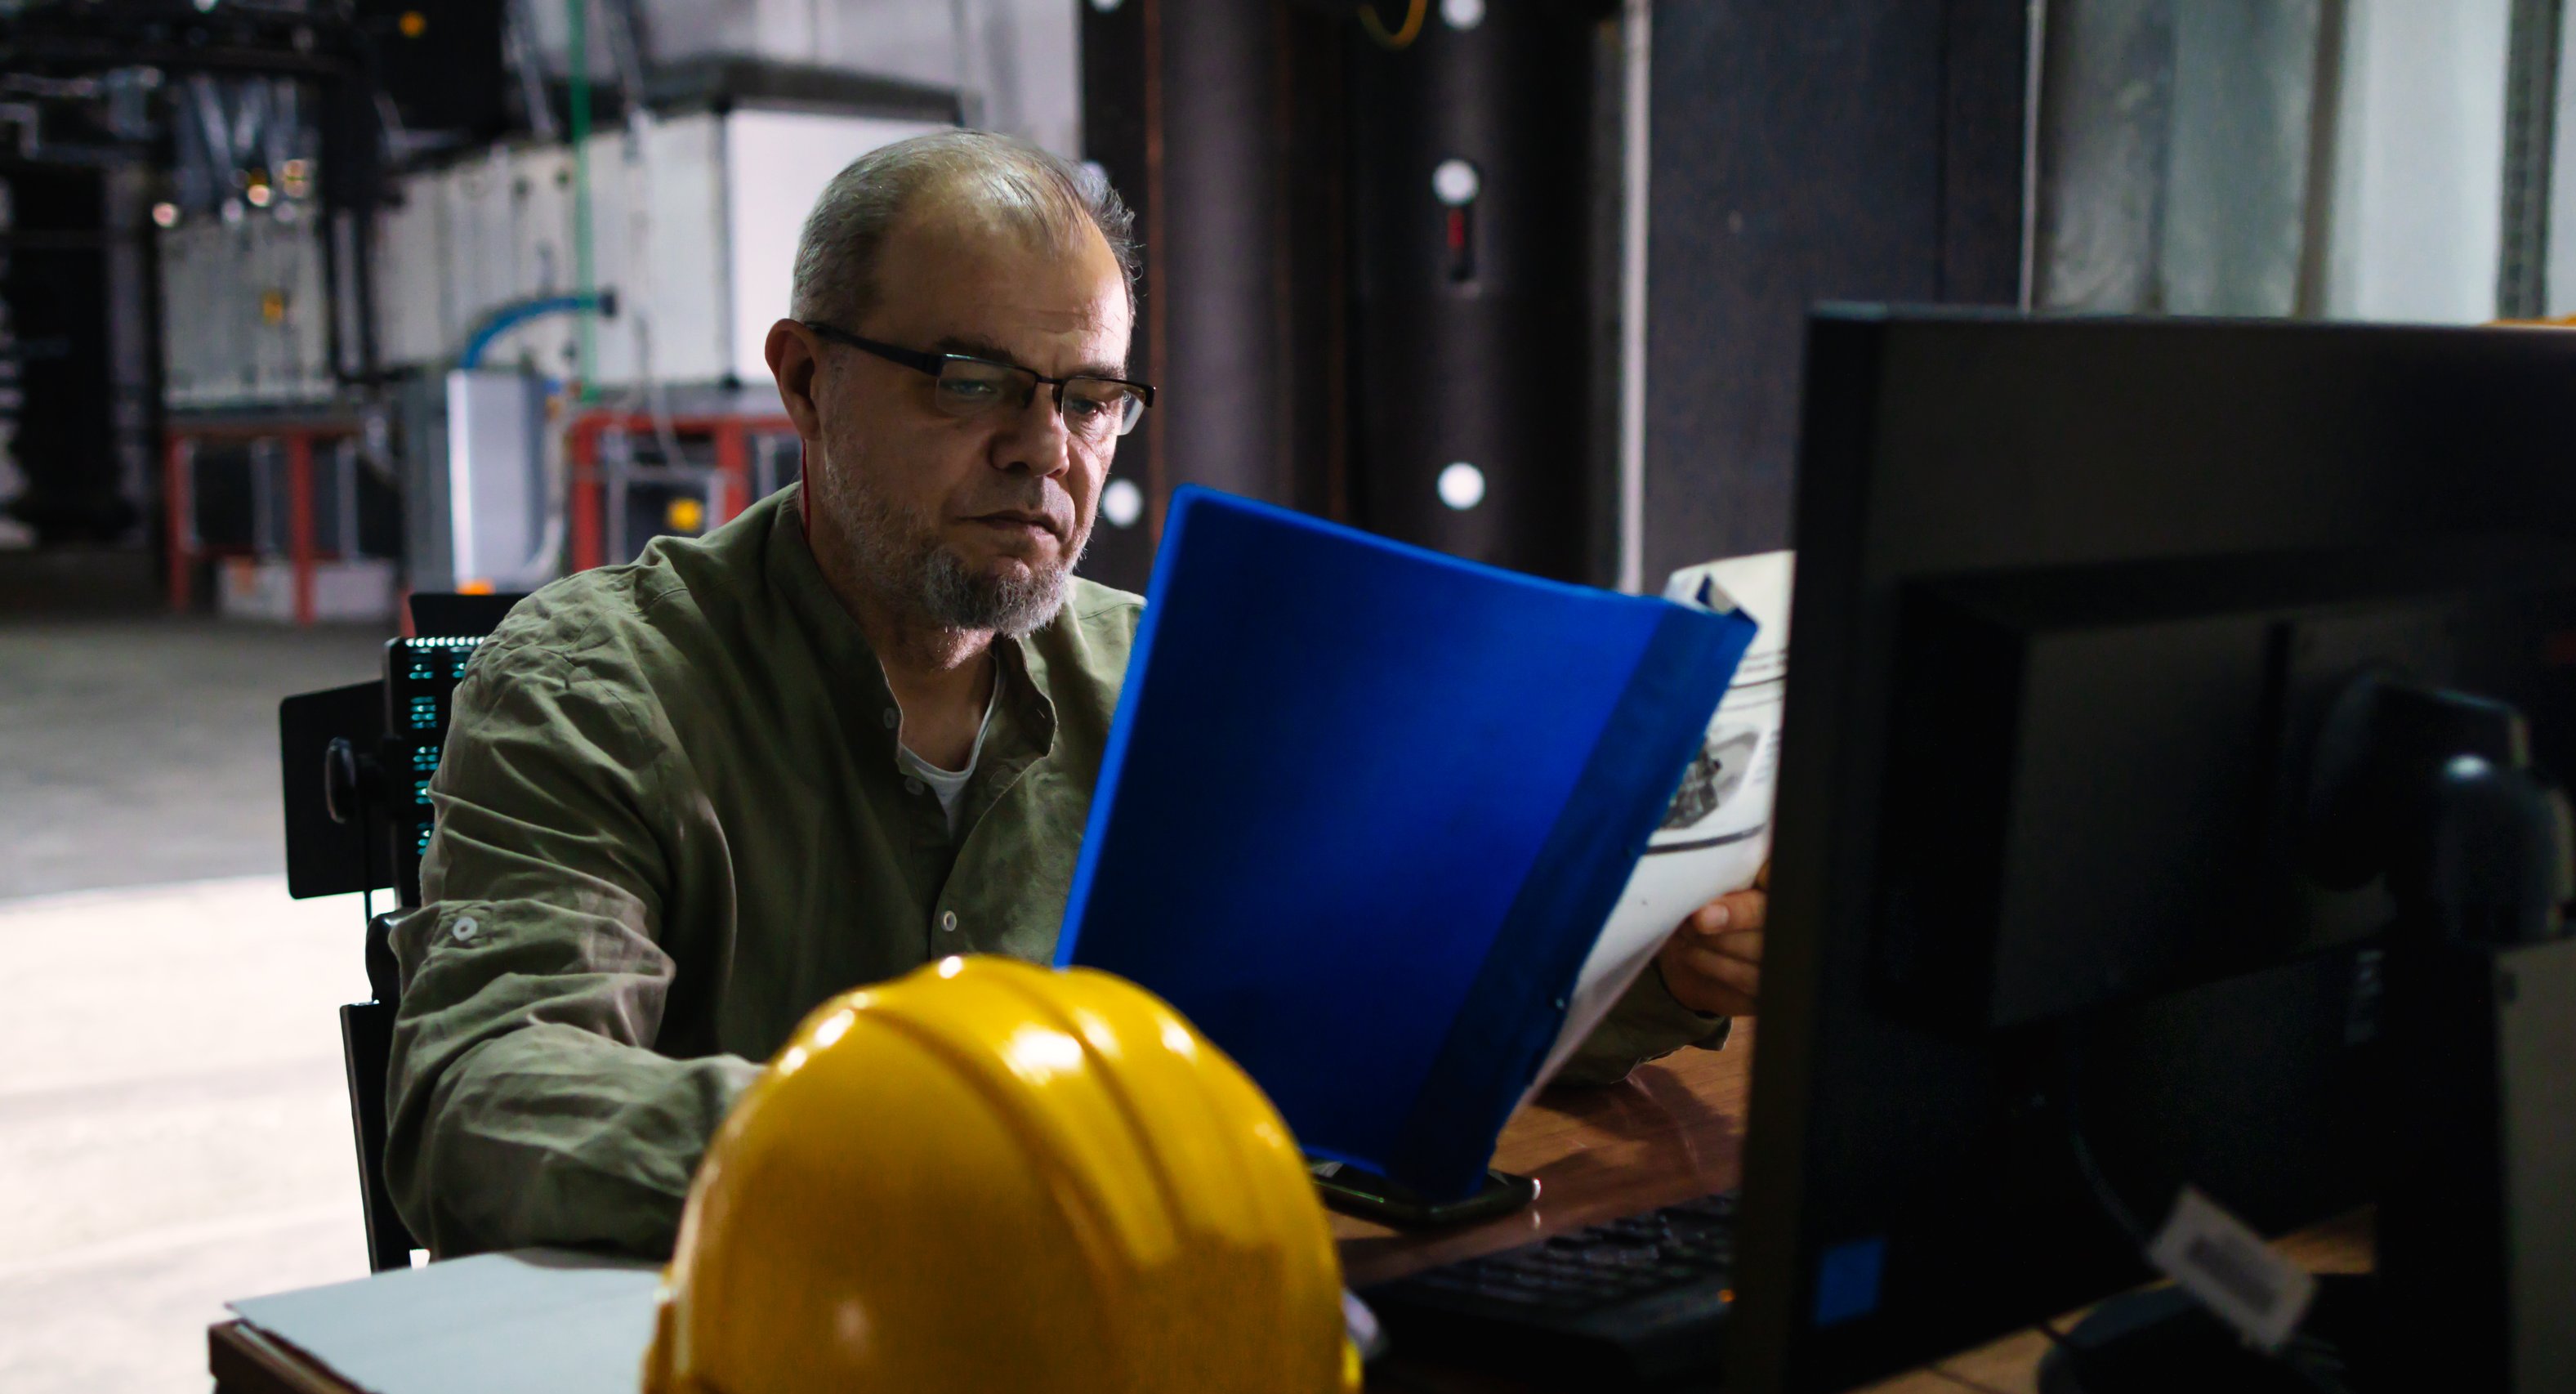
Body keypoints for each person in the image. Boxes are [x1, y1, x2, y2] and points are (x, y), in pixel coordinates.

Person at [384, 127, 1766, 1263]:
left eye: (1092, 396)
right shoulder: (600, 684)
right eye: (971, 380)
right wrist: (957, 1142)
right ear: (806, 381)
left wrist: (1661, 973)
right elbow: (483, 1097)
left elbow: (1369, 1028)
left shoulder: (1165, 679)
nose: (1043, 450)